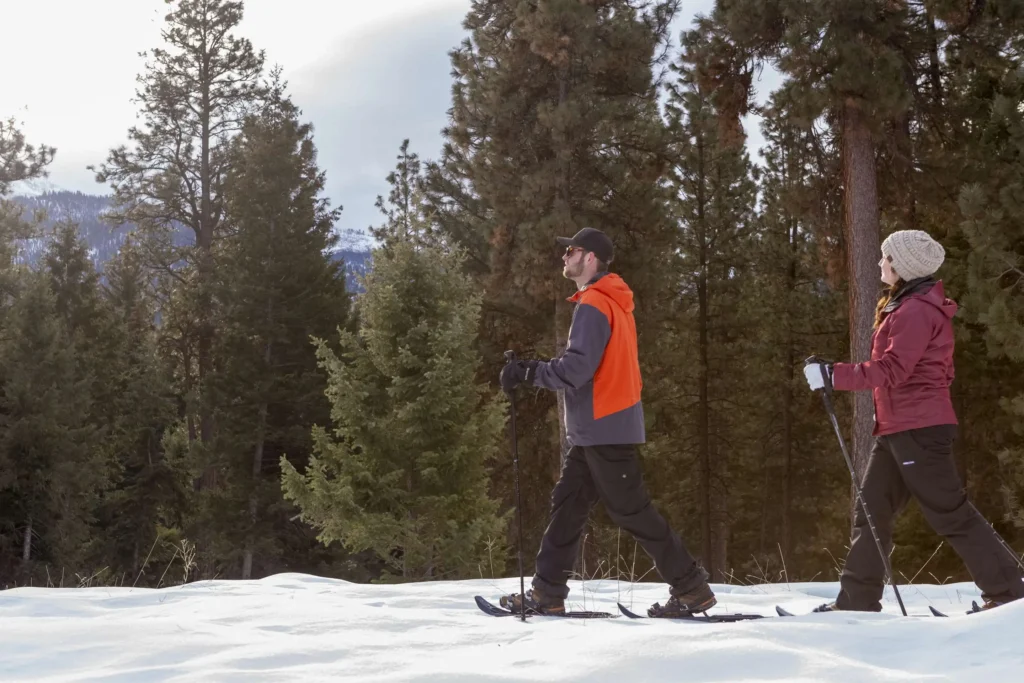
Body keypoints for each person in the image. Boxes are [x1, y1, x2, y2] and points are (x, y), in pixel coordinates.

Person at [804, 229, 1024, 612]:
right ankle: (857, 600)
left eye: (886, 257)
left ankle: (1009, 591)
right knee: (871, 512)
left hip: (918, 430)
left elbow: (892, 369)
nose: (880, 262)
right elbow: (942, 372)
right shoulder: (907, 305)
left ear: (902, 265)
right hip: (898, 428)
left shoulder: (916, 311)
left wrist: (832, 375)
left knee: (950, 513)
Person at [498, 227, 714, 617]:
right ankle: (547, 592)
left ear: (590, 258)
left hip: (605, 425)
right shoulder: (609, 300)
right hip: (597, 428)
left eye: (572, 251)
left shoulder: (596, 302)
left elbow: (576, 369)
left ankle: (691, 587)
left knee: (632, 510)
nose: (565, 256)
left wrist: (529, 372)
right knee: (567, 506)